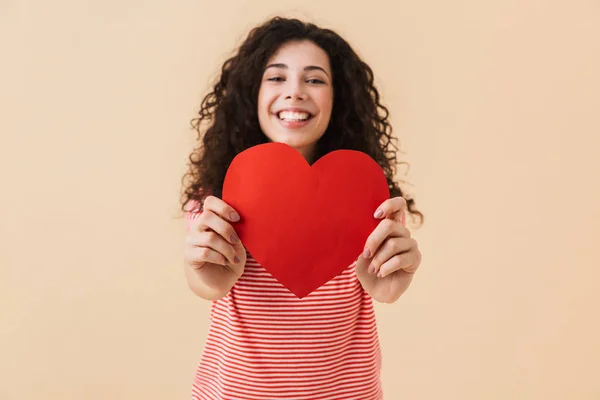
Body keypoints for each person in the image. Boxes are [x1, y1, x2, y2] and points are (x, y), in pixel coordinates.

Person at [180, 16, 424, 400]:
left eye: (315, 79)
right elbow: (207, 284)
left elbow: (384, 287)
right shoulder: (218, 200)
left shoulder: (371, 202)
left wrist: (389, 286)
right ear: (251, 95)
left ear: (338, 98)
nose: (295, 92)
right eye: (276, 78)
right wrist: (207, 274)